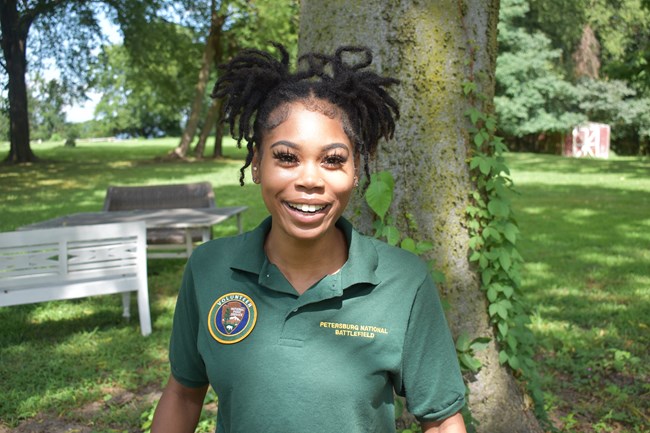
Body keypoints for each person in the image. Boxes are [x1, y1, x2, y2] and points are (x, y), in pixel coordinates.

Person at [151, 43, 467, 433]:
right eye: (287, 157)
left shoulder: (403, 281)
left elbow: (441, 422)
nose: (310, 180)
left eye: (333, 160)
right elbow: (183, 393)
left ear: (355, 172)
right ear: (256, 165)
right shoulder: (209, 267)